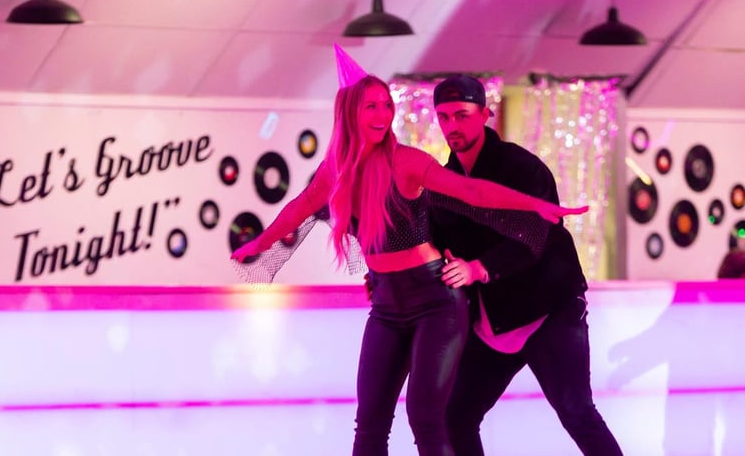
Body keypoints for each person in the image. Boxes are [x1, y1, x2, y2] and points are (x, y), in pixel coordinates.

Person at [231, 46, 587, 456]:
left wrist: (536, 205)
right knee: (369, 425)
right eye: (371, 106)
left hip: (435, 302)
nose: (383, 115)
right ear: (349, 111)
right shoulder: (336, 172)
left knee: (427, 420)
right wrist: (260, 243)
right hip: (386, 303)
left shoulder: (406, 162)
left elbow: (473, 192)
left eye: (387, 105)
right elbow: (300, 207)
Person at [428, 75, 623, 456]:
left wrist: (478, 268)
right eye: (444, 117)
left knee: (576, 411)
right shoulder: (443, 183)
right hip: (496, 321)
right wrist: (384, 276)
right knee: (456, 415)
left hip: (549, 308)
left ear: (485, 114)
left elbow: (535, 237)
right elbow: (431, 245)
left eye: (462, 115)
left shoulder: (523, 168)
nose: (452, 126)